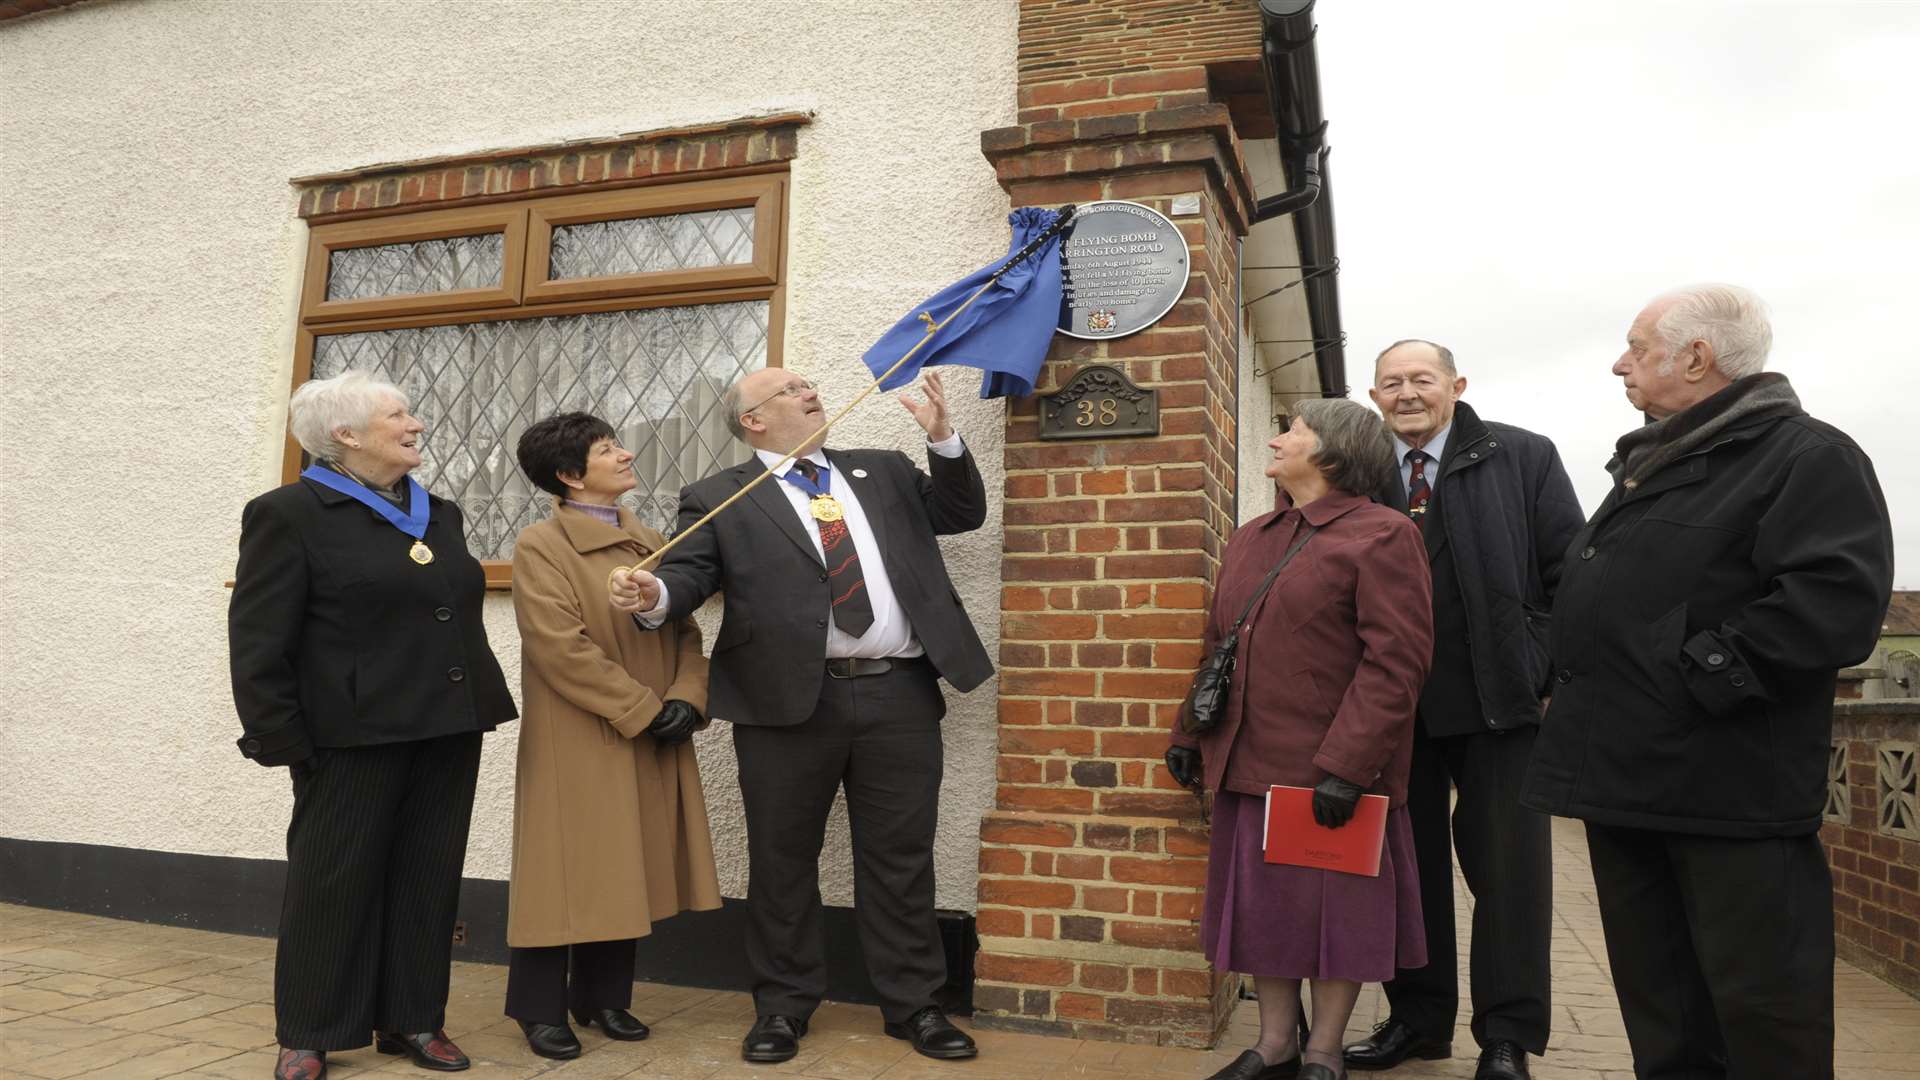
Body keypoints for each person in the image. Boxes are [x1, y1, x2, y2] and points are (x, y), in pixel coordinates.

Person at [1522, 284, 1893, 1079]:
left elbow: (1832, 604)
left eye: (1636, 346)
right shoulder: (1653, 464)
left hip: (1728, 794)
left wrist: (1695, 682)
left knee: (1763, 1019)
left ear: (1696, 356)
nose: (1619, 363)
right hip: (1627, 784)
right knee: (1666, 1017)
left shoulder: (1807, 457)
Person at [609, 368, 993, 1064]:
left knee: (900, 858)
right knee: (783, 861)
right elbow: (689, 576)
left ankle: (914, 1007)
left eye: (808, 383)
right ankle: (783, 1007)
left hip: (897, 694)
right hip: (784, 703)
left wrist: (943, 439)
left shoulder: (882, 471)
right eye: (790, 389)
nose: (810, 391)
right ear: (753, 420)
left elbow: (961, 512)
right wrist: (654, 595)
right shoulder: (722, 495)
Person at [229, 369, 517, 1080]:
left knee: (427, 876)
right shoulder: (289, 514)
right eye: (398, 416)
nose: (415, 425)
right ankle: (309, 1029)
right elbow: (259, 637)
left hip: (446, 725)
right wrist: (281, 736)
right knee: (333, 883)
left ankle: (414, 1020)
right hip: (348, 736)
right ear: (347, 435)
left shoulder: (437, 511)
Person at [1165, 397, 1434, 1080]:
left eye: (1293, 430)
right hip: (1248, 761)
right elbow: (1217, 645)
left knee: (1338, 917)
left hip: (1331, 773)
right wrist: (1190, 735)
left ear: (1334, 452)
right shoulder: (1252, 535)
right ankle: (1276, 1044)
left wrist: (1347, 765)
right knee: (1268, 918)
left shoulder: (1384, 534)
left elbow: (1396, 662)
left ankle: (1324, 1052)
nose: (1277, 438)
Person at [1341, 342, 1583, 1080]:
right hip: (1392, 706)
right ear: (1374, 395)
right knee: (1403, 873)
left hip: (1499, 702)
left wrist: (1542, 669)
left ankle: (1507, 1036)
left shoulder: (1522, 455)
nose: (1407, 393)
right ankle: (1417, 1020)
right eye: (1392, 382)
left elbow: (1568, 572)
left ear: (1457, 385)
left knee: (1509, 875)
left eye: (1423, 379)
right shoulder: (1354, 469)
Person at [503, 412, 723, 1060]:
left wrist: (687, 697)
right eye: (607, 450)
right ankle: (538, 1008)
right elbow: (557, 648)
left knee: (624, 863)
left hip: (649, 725)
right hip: (582, 732)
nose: (626, 455)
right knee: (563, 868)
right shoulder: (541, 546)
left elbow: (684, 628)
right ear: (571, 475)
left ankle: (603, 998)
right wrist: (643, 709)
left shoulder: (649, 539)